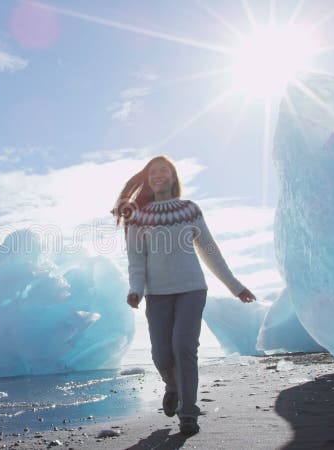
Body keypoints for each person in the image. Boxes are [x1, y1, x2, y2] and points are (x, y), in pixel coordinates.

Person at [111, 155, 256, 436]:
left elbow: (210, 250)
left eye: (164, 170)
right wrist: (135, 290)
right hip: (157, 295)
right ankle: (172, 386)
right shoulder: (139, 216)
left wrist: (235, 286)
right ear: (147, 179)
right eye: (153, 172)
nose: (158, 175)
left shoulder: (189, 209)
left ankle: (188, 413)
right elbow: (136, 259)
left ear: (174, 177)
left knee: (184, 348)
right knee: (161, 354)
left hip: (192, 290)